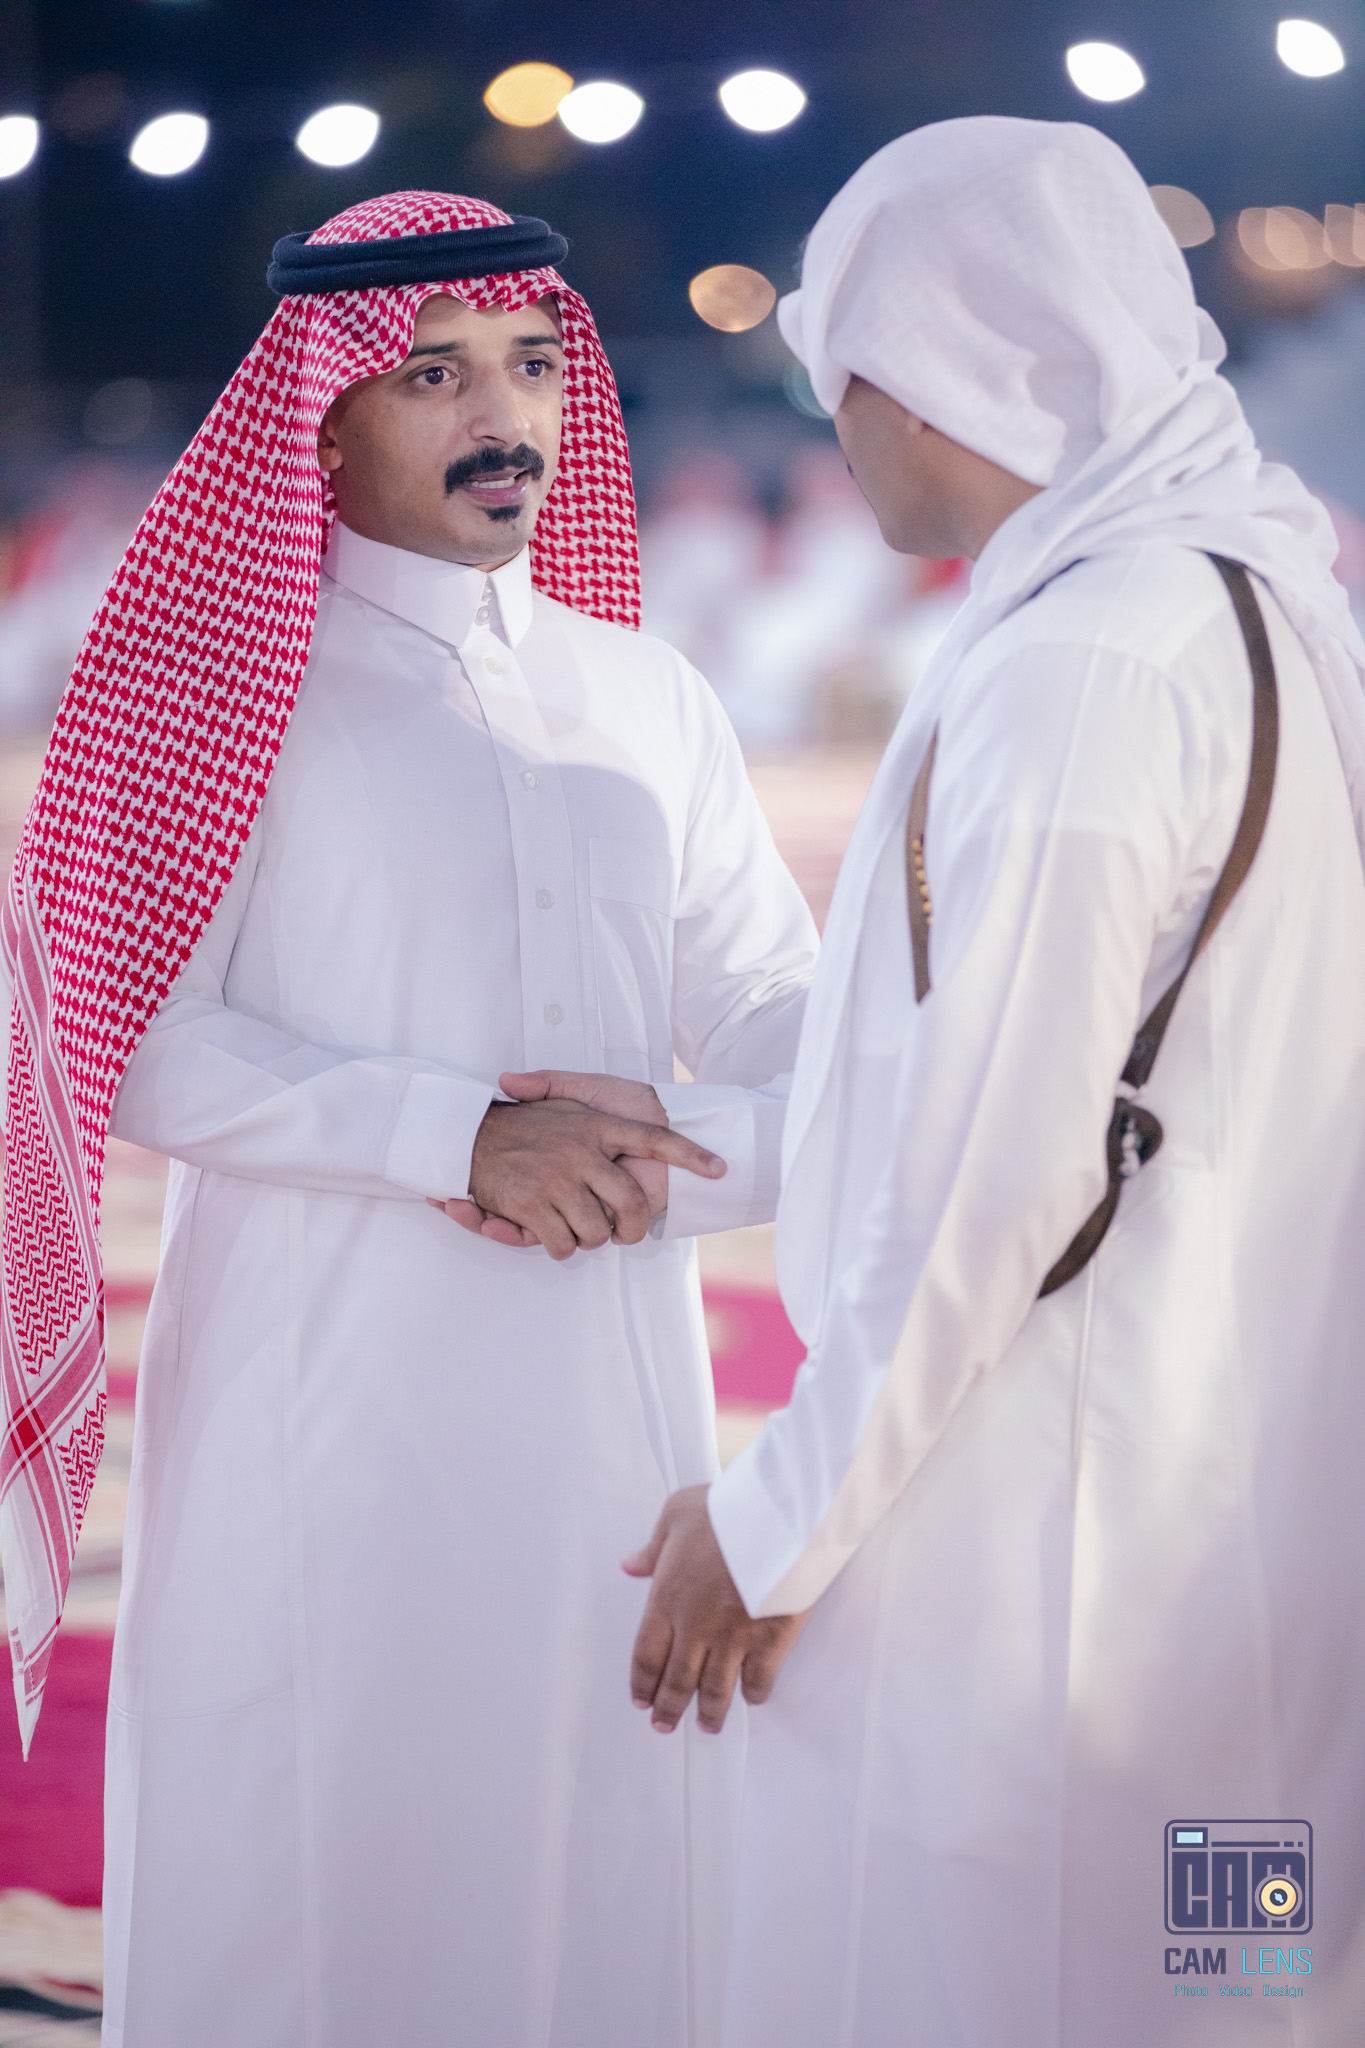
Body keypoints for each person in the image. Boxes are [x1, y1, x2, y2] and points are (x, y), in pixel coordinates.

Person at [0, 192, 817, 2046]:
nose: (501, 416)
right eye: (435, 376)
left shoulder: (645, 692)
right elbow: (133, 1040)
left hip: (613, 1386)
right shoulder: (221, 697)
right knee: (327, 1837)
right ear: (321, 417)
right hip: (327, 1394)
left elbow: (781, 1002)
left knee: (607, 1821)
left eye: (529, 366)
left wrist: (697, 1160)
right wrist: (453, 1137)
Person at [621, 119, 1365, 2044]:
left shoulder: (1089, 665)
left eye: (839, 370)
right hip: (1225, 1496)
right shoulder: (1239, 597)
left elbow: (992, 1175)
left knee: (985, 1979)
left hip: (1043, 1519)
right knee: (1234, 1972)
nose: (836, 424)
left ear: (920, 372)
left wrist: (778, 1520)